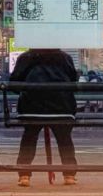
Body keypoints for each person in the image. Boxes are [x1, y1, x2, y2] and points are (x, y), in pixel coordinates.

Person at [10, 48, 78, 187]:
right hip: (61, 107)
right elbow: (73, 82)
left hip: (32, 107)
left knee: (29, 138)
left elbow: (15, 84)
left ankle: (24, 175)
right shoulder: (64, 58)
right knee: (64, 139)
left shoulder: (26, 57)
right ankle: (69, 174)